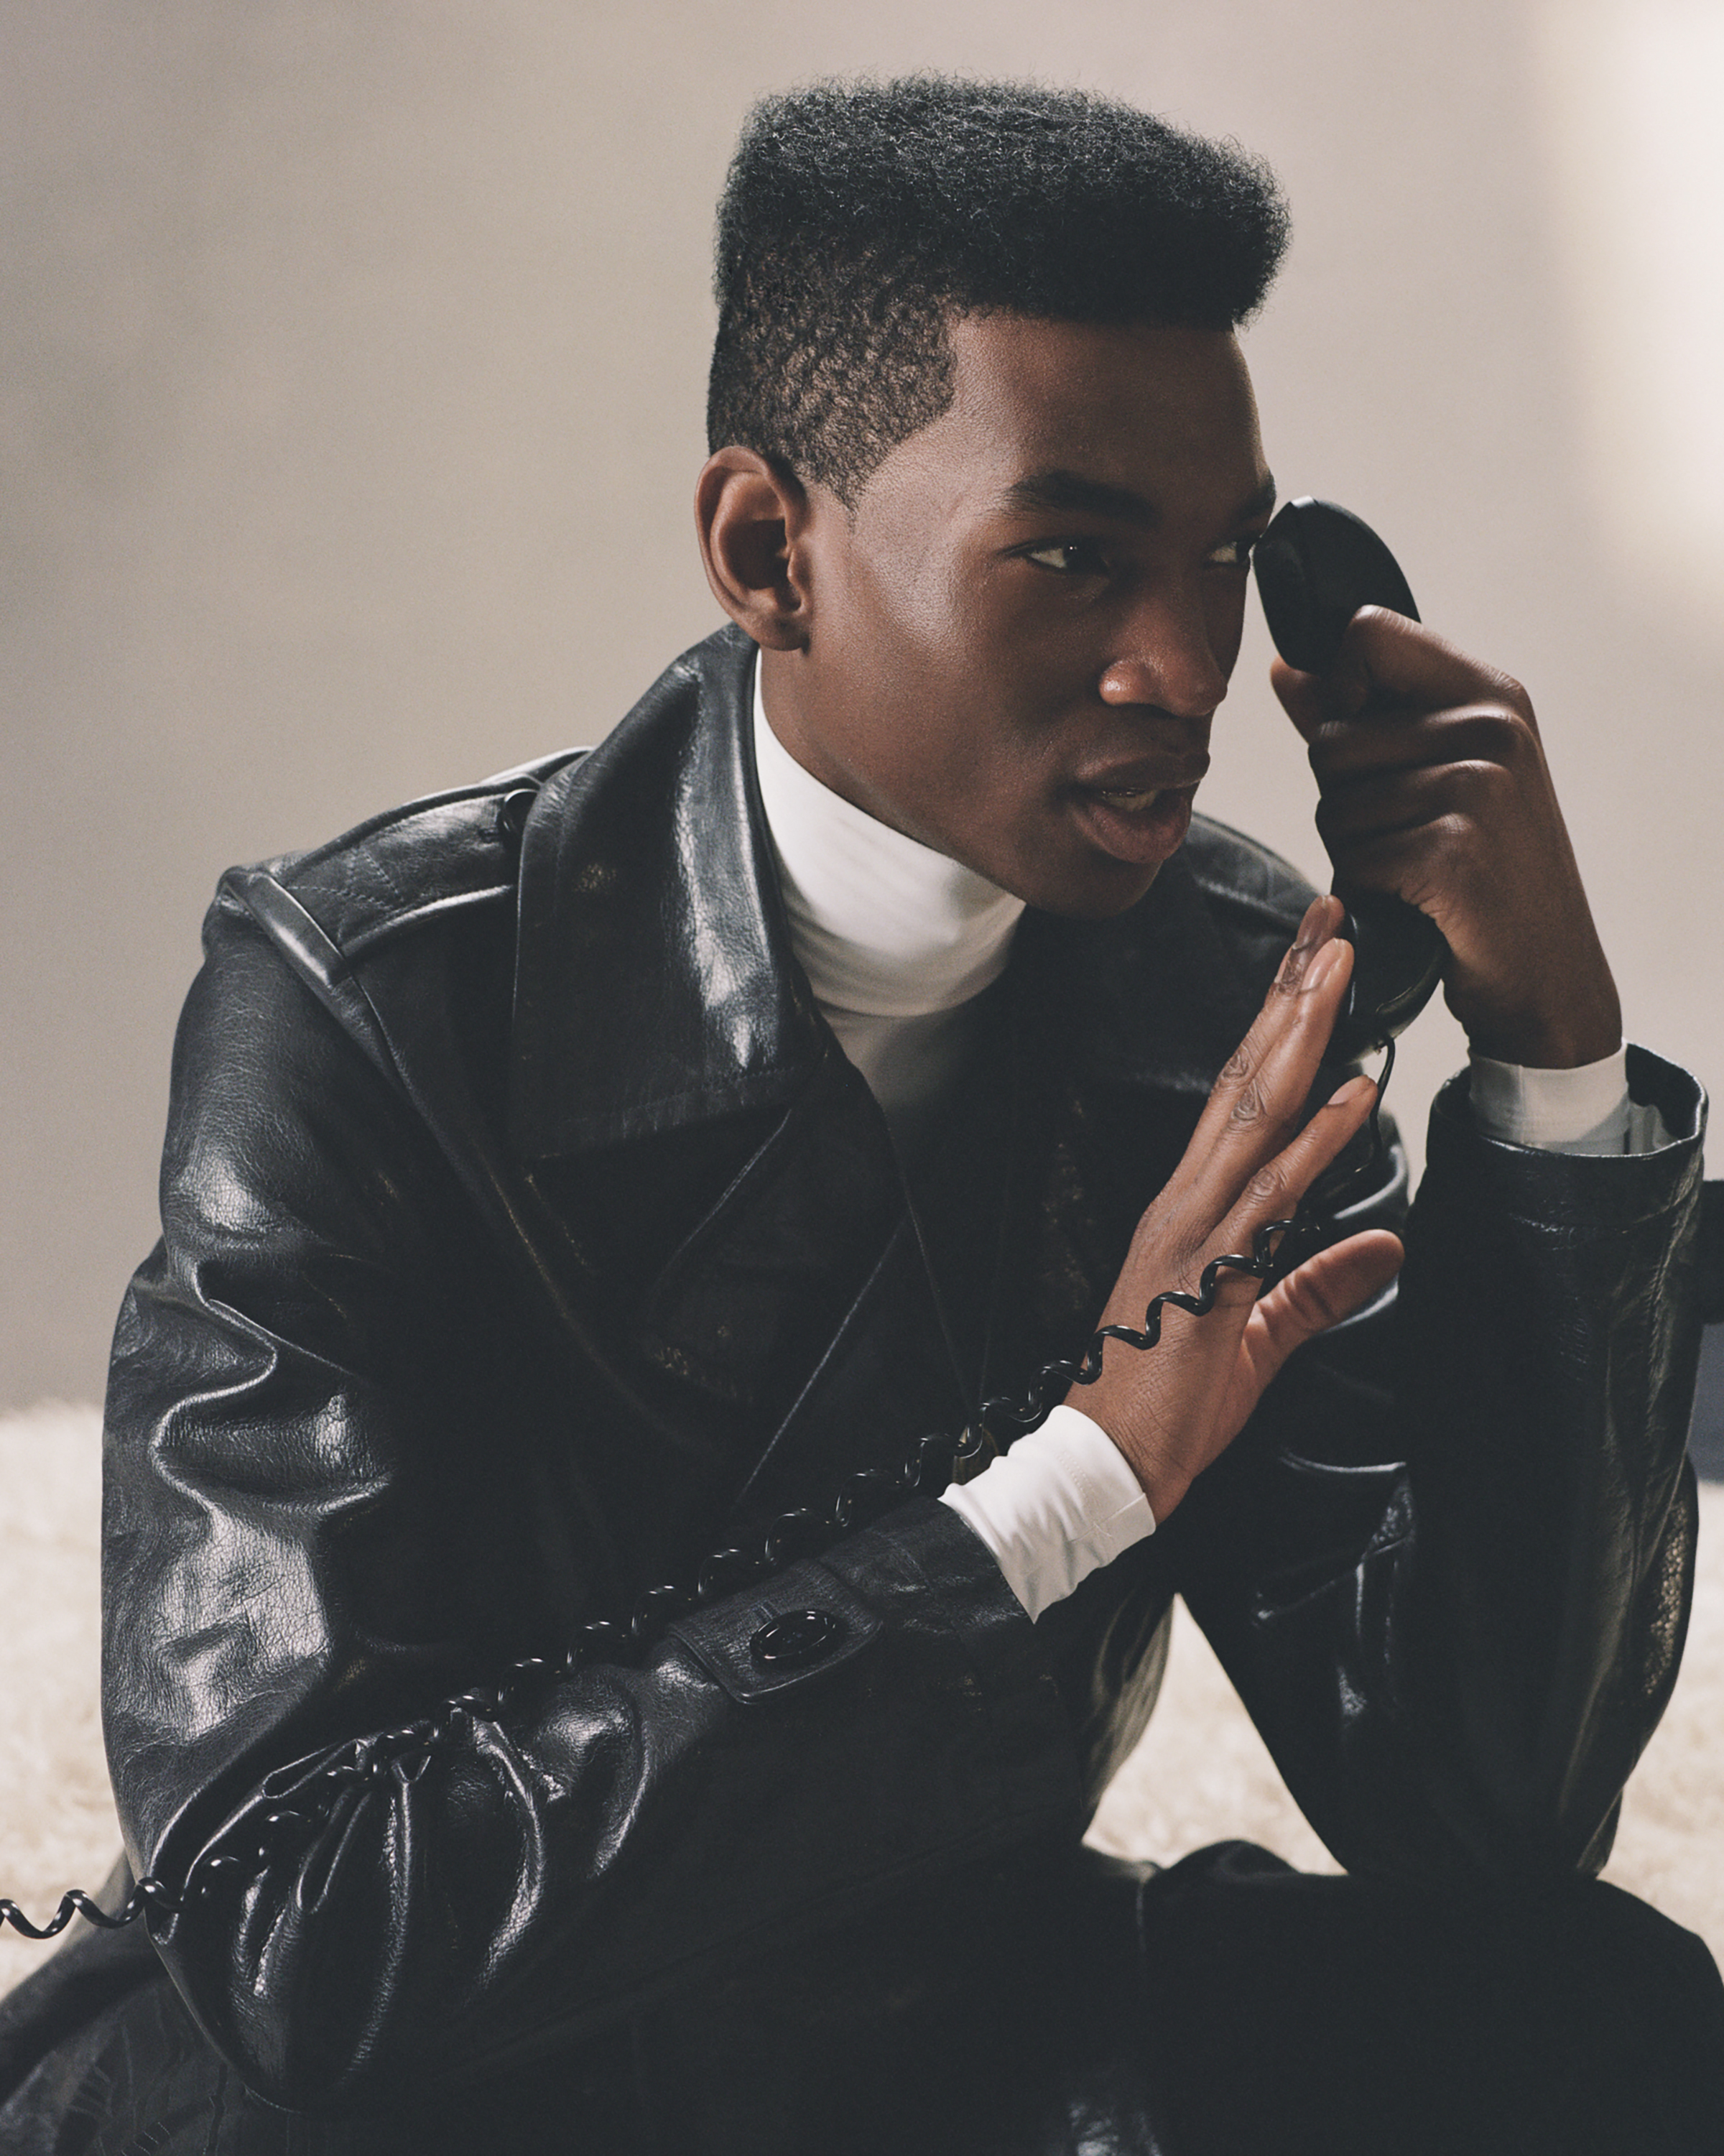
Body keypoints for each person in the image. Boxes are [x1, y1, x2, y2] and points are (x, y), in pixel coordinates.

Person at [0, 75, 1719, 2156]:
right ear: (767, 551)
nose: (1183, 664)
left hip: (954, 2015)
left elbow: (1479, 1812)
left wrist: (1553, 1065)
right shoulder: (368, 1001)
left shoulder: (1235, 994)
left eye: (1224, 561)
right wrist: (1077, 1480)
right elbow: (302, 1940)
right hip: (454, 2071)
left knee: (1601, 2020)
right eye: (1074, 556)